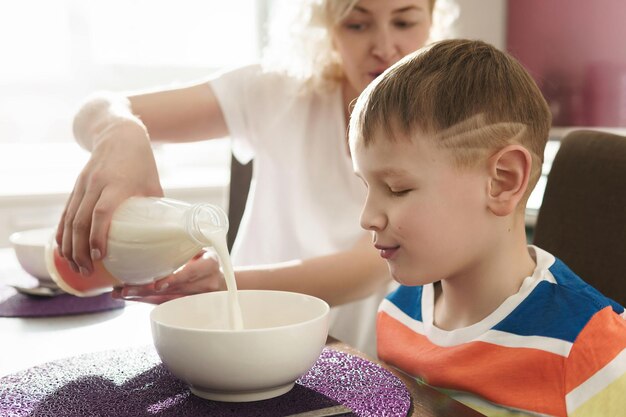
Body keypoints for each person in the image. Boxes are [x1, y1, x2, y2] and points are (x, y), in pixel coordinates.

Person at [56, 0, 447, 357]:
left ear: (432, 21)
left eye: (403, 22)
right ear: (328, 27)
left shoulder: (447, 129)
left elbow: (367, 269)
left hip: (360, 359)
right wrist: (121, 134)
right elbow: (94, 111)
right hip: (237, 342)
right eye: (357, 25)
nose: (383, 45)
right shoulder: (276, 93)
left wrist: (224, 282)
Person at [348, 39, 626, 416]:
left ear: (503, 181)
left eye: (398, 189)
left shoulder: (590, 349)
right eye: (367, 187)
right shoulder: (397, 315)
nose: (368, 217)